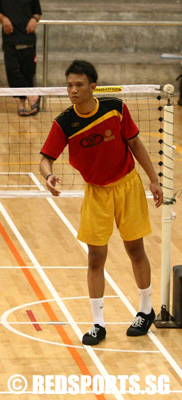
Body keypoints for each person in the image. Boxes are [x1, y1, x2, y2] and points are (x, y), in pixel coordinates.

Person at [39, 59, 163, 345]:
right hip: (96, 192)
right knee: (95, 258)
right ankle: (98, 324)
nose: (73, 90)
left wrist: (153, 180)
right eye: (69, 85)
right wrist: (48, 176)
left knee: (135, 249)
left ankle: (146, 309)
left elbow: (135, 144)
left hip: (128, 185)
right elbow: (45, 159)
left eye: (79, 85)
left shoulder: (115, 109)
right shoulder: (64, 123)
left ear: (93, 86)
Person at [0, 0, 41, 116]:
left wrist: (34, 20)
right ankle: (32, 94)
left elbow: (37, 13)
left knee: (27, 72)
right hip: (10, 39)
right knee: (11, 70)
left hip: (27, 39)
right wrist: (4, 19)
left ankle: (22, 104)